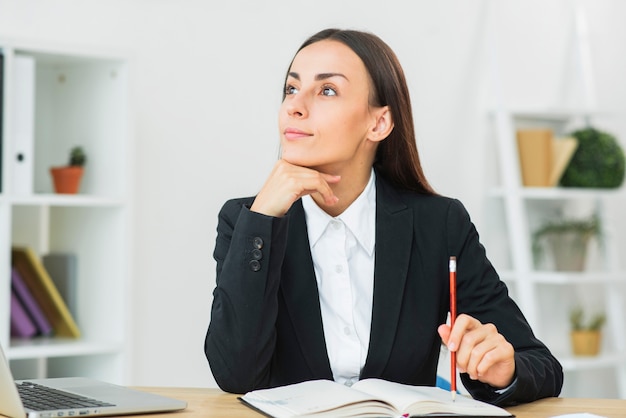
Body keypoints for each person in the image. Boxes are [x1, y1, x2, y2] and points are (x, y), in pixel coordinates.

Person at [204, 28, 563, 406]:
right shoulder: (245, 221)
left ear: (379, 123)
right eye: (291, 89)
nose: (295, 106)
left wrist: (502, 370)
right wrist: (263, 218)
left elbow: (541, 365)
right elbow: (235, 374)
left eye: (327, 90)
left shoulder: (438, 224)